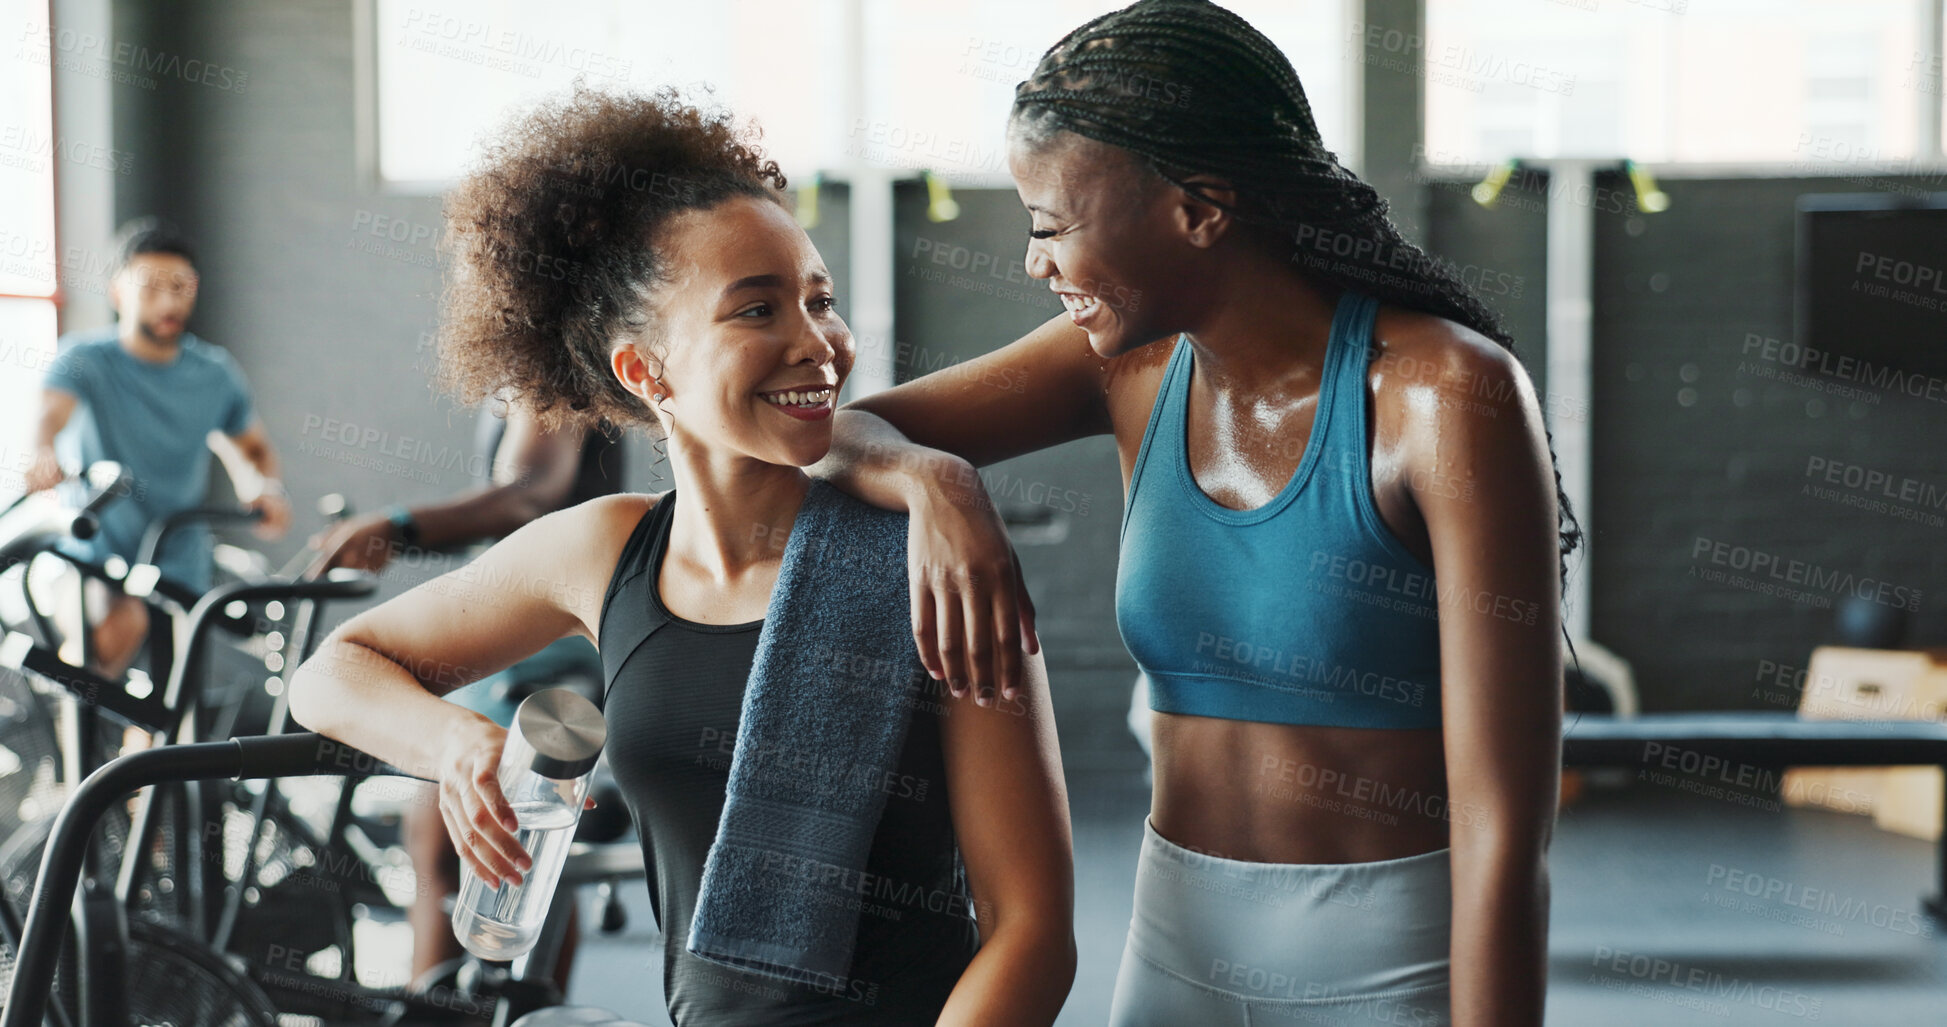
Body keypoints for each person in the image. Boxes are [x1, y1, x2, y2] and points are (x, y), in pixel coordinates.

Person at [809, 1, 1581, 1024]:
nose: (1037, 263)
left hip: (1392, 964)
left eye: (1052, 227)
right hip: (1176, 947)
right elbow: (837, 435)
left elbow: (1502, 829)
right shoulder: (1126, 363)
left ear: (1201, 208)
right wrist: (939, 483)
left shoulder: (1445, 394)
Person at [288, 85, 1075, 1026]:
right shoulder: (604, 549)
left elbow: (1029, 927)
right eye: (756, 311)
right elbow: (333, 673)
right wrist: (457, 745)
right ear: (644, 369)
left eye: (818, 300)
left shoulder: (935, 561)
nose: (816, 342)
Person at [308, 400, 624, 989]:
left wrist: (398, 526)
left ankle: (491, 1006)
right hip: (536, 632)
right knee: (451, 843)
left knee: (478, 839)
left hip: (544, 645)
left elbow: (529, 496)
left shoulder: (550, 374)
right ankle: (458, 1002)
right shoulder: (534, 369)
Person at [23, 218, 291, 677]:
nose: (168, 300)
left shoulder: (215, 373)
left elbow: (250, 449)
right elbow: (49, 415)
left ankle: (133, 743)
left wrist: (264, 489)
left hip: (177, 560)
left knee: (167, 707)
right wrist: (43, 454)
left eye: (179, 286)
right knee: (109, 638)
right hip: (92, 556)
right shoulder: (85, 360)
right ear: (118, 292)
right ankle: (74, 736)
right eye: (150, 287)